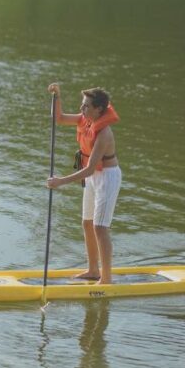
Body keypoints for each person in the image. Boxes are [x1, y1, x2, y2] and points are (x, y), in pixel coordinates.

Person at [46, 83, 122, 285]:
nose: (82, 109)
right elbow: (59, 118)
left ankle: (106, 279)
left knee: (100, 227)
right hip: (92, 178)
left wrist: (60, 181)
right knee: (87, 223)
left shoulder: (104, 134)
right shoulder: (85, 120)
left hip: (107, 177)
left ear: (99, 109)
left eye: (86, 106)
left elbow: (89, 168)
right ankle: (93, 270)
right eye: (82, 105)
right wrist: (57, 96)